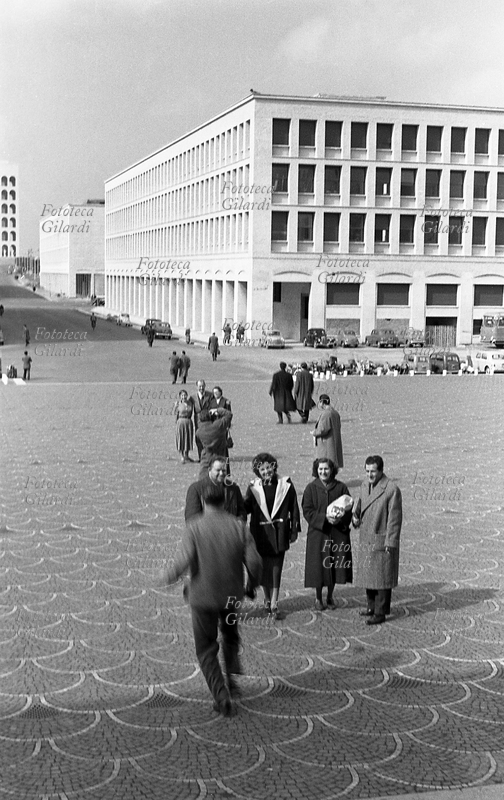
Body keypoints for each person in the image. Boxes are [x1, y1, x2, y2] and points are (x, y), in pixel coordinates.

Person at [163, 483, 262, 715]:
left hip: (203, 599)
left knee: (206, 649)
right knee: (229, 633)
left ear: (204, 503)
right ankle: (232, 673)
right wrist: (252, 585)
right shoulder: (239, 527)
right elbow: (256, 563)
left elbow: (182, 562)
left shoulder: (194, 527)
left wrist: (167, 576)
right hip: (231, 598)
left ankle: (221, 696)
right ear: (224, 503)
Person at [244, 453, 300, 619]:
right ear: (258, 471)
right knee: (263, 569)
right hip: (260, 534)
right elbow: (246, 507)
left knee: (276, 569)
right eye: (262, 469)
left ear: (274, 466)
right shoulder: (253, 487)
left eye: (269, 467)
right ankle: (267, 599)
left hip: (279, 532)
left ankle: (274, 602)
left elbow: (294, 508)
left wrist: (294, 530)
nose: (266, 471)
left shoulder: (286, 485)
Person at [352, 455, 403, 625]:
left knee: (382, 578)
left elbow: (394, 520)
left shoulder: (391, 489)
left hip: (381, 537)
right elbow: (359, 506)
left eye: (373, 471)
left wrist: (391, 542)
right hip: (366, 536)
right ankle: (371, 607)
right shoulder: (364, 485)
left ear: (381, 470)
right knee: (369, 576)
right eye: (367, 471)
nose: (370, 475)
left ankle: (380, 613)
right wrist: (355, 518)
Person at [302, 458, 352, 610]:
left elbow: (349, 507)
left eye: (326, 469)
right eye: (320, 469)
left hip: (337, 533)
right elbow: (307, 510)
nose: (323, 472)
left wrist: (340, 519)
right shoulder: (311, 488)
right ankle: (318, 598)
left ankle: (330, 596)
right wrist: (324, 518)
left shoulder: (341, 487)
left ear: (332, 470)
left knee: (335, 564)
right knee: (318, 567)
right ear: (316, 470)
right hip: (319, 533)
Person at [185, 455, 247, 521]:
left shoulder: (233, 488)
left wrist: (237, 524)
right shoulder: (196, 489)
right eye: (218, 470)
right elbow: (191, 519)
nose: (221, 473)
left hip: (229, 529)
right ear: (209, 470)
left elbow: (241, 512)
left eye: (224, 470)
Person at [196, 408, 232, 478]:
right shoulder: (218, 425)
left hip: (206, 455)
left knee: (203, 477)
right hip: (220, 453)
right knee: (220, 477)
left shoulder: (198, 432)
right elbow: (228, 415)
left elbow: (200, 422)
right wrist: (217, 410)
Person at [310, 394, 344, 468]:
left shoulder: (326, 414)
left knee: (325, 465)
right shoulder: (335, 413)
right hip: (334, 442)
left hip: (326, 445)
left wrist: (314, 432)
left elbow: (323, 430)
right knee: (331, 466)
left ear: (322, 402)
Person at [191, 380, 214, 461]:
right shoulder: (192, 397)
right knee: (198, 438)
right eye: (200, 386)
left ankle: (208, 456)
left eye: (203, 386)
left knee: (208, 438)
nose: (201, 388)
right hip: (197, 420)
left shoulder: (210, 395)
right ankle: (201, 457)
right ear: (196, 386)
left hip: (207, 420)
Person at [174, 389, 194, 464]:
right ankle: (182, 456)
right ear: (180, 396)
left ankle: (187, 455)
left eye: (185, 395)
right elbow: (175, 414)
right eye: (182, 395)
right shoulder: (178, 404)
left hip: (188, 422)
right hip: (181, 422)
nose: (184, 397)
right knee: (181, 438)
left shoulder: (190, 403)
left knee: (188, 438)